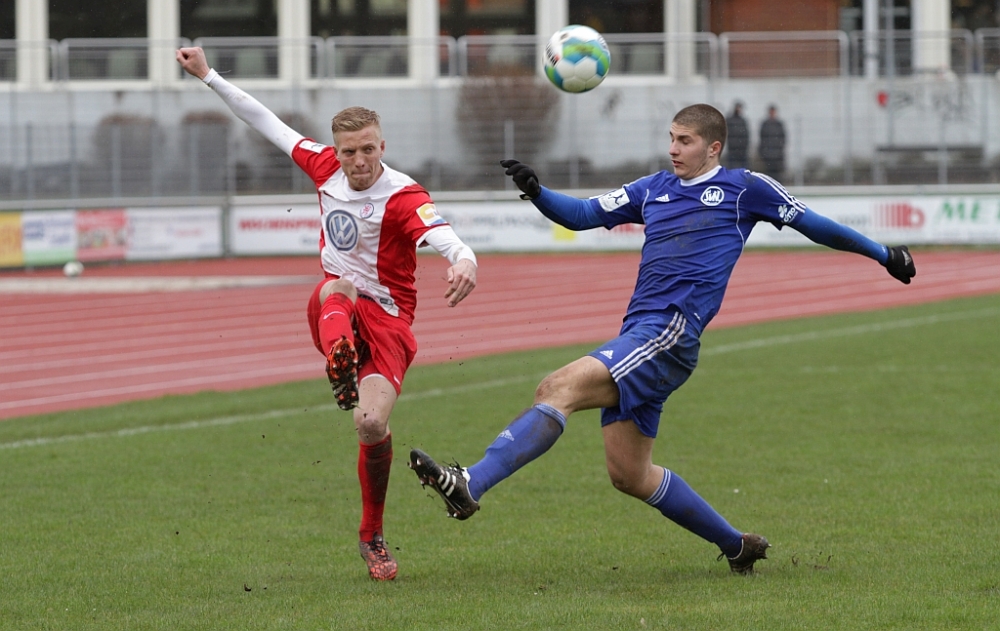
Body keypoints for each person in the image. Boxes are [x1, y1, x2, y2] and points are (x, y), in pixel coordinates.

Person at [408, 103, 915, 575]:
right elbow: (583, 215)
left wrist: (884, 254)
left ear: (713, 147)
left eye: (685, 141)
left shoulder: (745, 188)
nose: (673, 149)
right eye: (671, 138)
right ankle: (737, 546)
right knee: (630, 474)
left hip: (671, 331)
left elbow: (814, 225)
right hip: (641, 333)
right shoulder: (652, 189)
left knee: (556, 388)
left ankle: (471, 482)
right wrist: (539, 192)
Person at [176, 47, 479, 582]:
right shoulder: (322, 167)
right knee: (337, 284)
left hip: (389, 321)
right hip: (335, 307)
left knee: (371, 424)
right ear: (335, 151)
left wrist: (465, 260)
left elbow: (443, 234)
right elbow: (264, 120)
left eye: (367, 149)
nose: (358, 161)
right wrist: (208, 75)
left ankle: (372, 537)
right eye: (348, 152)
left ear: (382, 146)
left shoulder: (404, 195)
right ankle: (340, 357)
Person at [759, 104, 786, 178]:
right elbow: (762, 138)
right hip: (768, 155)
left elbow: (783, 139)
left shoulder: (779, 124)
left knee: (777, 176)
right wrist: (764, 152)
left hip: (777, 155)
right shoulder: (765, 124)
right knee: (768, 175)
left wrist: (779, 151)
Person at [724, 101, 749, 169]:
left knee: (744, 169)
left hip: (742, 150)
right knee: (731, 168)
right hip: (732, 149)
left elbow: (746, 135)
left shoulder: (743, 121)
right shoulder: (730, 120)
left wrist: (744, 146)